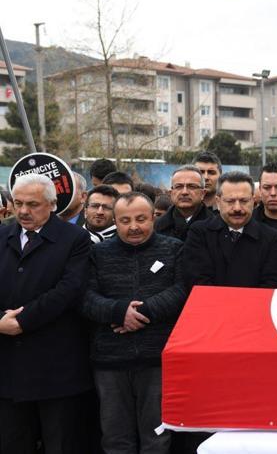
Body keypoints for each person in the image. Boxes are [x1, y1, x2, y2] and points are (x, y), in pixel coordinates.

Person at [82, 192, 186, 454]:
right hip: (110, 361)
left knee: (157, 439)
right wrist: (118, 312)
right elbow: (84, 297)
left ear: (153, 218)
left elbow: (182, 290)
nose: (134, 227)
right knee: (115, 439)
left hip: (158, 360)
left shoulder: (174, 249)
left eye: (141, 219)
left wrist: (144, 312)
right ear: (115, 221)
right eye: (125, 220)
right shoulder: (97, 253)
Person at [0, 174, 93, 453]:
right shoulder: (3, 235)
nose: (23, 211)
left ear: (52, 205)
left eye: (33, 204)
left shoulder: (75, 238)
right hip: (8, 368)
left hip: (56, 369)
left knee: (59, 443)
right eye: (18, 203)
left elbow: (69, 289)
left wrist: (22, 321)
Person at [183, 171, 277, 291]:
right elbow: (196, 280)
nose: (237, 208)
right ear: (218, 202)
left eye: (244, 201)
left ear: (253, 201)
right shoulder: (200, 233)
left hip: (256, 303)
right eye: (230, 201)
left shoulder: (271, 238)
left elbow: (274, 284)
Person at [155, 165, 212, 242]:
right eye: (179, 186)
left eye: (192, 186)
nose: (184, 192)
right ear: (171, 193)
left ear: (203, 193)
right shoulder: (156, 227)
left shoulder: (216, 227)